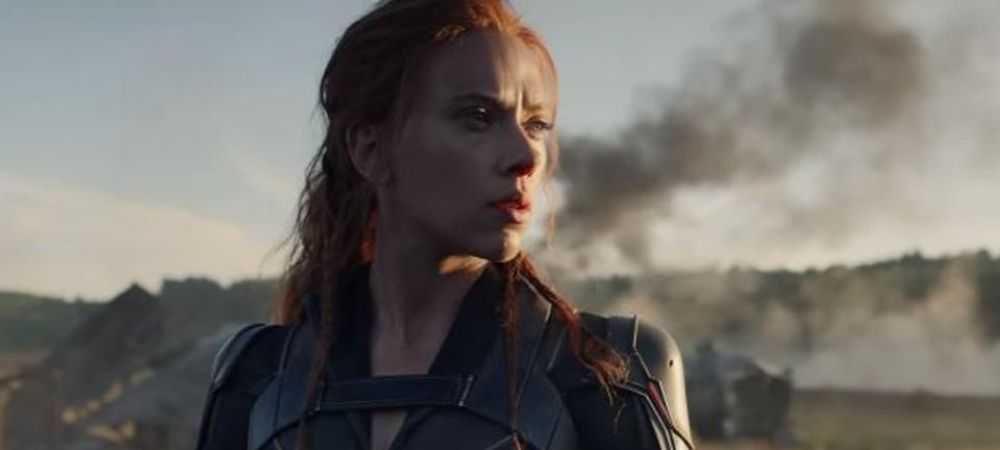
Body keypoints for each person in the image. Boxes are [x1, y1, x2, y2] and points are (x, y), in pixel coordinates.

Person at [194, 1, 694, 449]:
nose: (525, 155)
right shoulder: (257, 375)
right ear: (370, 149)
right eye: (477, 117)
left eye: (536, 124)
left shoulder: (607, 372)